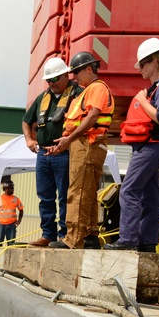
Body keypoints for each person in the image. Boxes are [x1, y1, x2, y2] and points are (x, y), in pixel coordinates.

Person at [105, 38, 159, 251]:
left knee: (128, 190)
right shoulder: (157, 87)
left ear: (154, 62)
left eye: (143, 64)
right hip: (150, 146)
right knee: (150, 195)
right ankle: (147, 243)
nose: (140, 69)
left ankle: (128, 240)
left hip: (152, 146)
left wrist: (143, 100)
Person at [47, 51, 114, 249]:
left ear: (88, 69)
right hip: (85, 144)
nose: (74, 76)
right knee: (88, 191)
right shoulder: (88, 90)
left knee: (78, 191)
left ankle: (73, 238)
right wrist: (64, 142)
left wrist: (69, 140)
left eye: (77, 71)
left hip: (88, 144)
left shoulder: (97, 88)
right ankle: (90, 236)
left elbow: (92, 117)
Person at [22, 56, 82, 246]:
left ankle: (65, 234)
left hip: (64, 153)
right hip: (43, 155)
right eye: (48, 80)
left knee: (65, 195)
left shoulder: (78, 93)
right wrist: (29, 139)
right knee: (45, 196)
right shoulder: (43, 97)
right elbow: (26, 120)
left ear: (66, 75)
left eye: (54, 79)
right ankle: (48, 234)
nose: (51, 83)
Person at [0, 179, 24, 244]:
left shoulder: (16, 199)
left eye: (12, 188)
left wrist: (19, 220)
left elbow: (21, 210)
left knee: (11, 245)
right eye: (10, 188)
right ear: (5, 189)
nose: (12, 189)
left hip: (12, 225)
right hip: (1, 225)